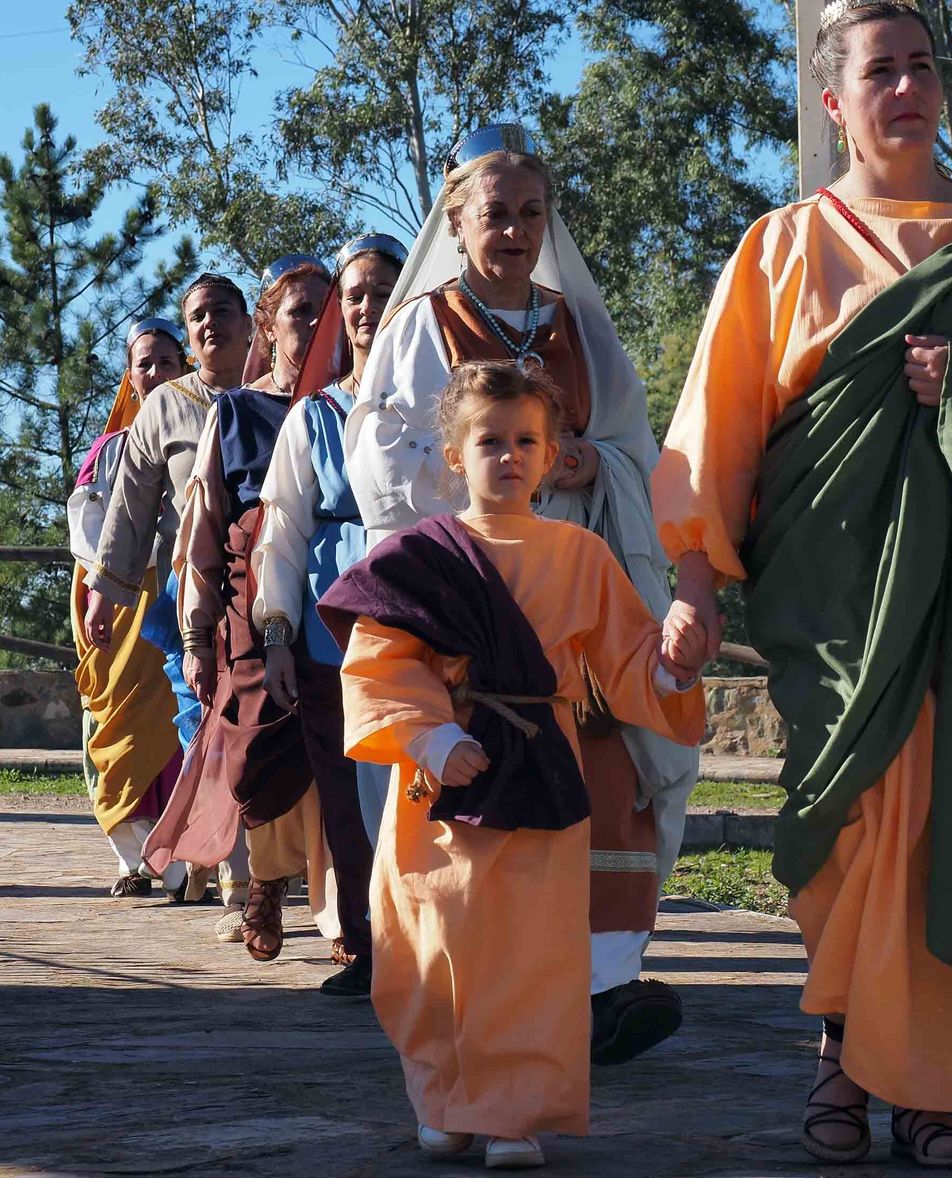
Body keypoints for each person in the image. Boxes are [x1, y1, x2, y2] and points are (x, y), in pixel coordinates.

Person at [654, 1, 952, 1166]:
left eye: (922, 66)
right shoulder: (781, 245)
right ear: (836, 101)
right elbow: (712, 431)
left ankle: (926, 1089)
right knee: (854, 825)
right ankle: (842, 1050)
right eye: (880, 70)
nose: (906, 87)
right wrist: (690, 584)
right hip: (834, 604)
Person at [346, 123, 699, 1064]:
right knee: (483, 811)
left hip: (577, 598)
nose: (514, 229)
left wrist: (590, 458)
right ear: (456, 220)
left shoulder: (576, 325)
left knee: (608, 789)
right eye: (495, 212)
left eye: (531, 213)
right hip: (476, 612)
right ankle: (482, 1001)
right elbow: (384, 457)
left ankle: (600, 994)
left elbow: (637, 445)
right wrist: (500, 474)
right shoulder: (423, 324)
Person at [321, 361, 705, 1170]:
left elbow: (629, 659)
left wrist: (672, 663)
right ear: (454, 454)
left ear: (554, 451)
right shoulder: (419, 555)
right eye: (489, 440)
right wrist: (428, 736)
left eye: (526, 439)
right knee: (434, 938)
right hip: (444, 771)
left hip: (541, 768)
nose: (509, 455)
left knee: (534, 950)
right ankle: (444, 1099)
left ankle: (511, 1115)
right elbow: (378, 660)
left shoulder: (581, 555)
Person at [147, 254, 343, 960]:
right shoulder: (237, 412)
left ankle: (342, 915)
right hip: (252, 610)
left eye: (329, 309)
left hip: (339, 602)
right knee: (259, 754)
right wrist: (197, 637)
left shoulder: (357, 405)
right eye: (300, 312)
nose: (319, 325)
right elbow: (202, 533)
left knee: (344, 758)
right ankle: (264, 878)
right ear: (268, 324)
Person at [252, 233, 408, 996]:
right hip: (325, 635)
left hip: (417, 630)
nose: (368, 307)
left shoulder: (437, 404)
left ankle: (432, 938)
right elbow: (281, 532)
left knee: (419, 787)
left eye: (383, 290)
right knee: (345, 798)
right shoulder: (313, 416)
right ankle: (369, 946)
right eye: (355, 296)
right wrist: (276, 634)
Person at [83, 274, 254, 931]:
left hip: (271, 583)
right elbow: (130, 510)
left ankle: (241, 862)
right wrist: (106, 594)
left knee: (258, 729)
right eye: (197, 316)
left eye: (221, 312)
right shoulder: (167, 408)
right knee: (202, 730)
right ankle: (231, 869)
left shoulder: (281, 395)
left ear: (249, 322)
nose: (209, 324)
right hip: (193, 595)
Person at [68, 318, 198, 899]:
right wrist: (108, 584)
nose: (153, 373)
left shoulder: (203, 429)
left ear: (184, 368)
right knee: (114, 728)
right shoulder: (107, 451)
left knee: (174, 725)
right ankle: (131, 857)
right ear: (129, 375)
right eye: (143, 363)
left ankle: (181, 858)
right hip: (114, 602)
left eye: (166, 363)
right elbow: (87, 532)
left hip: (171, 595)